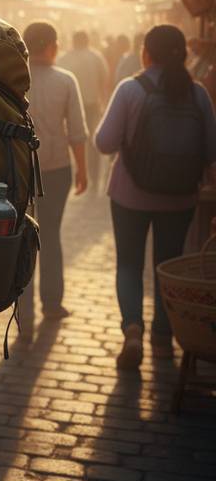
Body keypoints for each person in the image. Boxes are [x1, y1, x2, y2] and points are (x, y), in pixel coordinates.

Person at [95, 24, 216, 370]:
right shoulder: (198, 94)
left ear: (146, 53)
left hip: (130, 196)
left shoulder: (131, 89)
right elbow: (211, 151)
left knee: (129, 265)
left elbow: (104, 143)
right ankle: (164, 339)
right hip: (180, 199)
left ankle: (132, 329)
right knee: (168, 264)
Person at [16, 22, 88, 330]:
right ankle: (52, 303)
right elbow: (77, 132)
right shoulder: (66, 81)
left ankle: (24, 310)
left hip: (20, 171)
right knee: (51, 236)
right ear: (51, 47)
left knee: (22, 239)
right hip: (57, 170)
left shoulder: (14, 80)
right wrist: (83, 169)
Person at [57, 30, 109, 195]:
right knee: (91, 142)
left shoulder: (64, 58)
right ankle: (92, 178)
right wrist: (104, 104)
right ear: (87, 41)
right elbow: (105, 81)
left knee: (71, 141)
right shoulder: (96, 57)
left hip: (67, 107)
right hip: (92, 106)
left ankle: (75, 174)